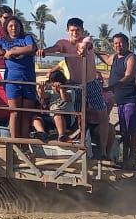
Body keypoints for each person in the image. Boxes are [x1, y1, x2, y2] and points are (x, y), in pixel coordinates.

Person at [41, 18, 110, 152]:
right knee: (79, 116)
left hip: (91, 83)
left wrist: (83, 49)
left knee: (103, 115)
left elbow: (86, 45)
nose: (75, 32)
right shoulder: (64, 43)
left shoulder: (87, 39)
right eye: (72, 30)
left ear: (82, 30)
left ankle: (103, 150)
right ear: (68, 30)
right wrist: (43, 51)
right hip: (74, 85)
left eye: (77, 30)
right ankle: (81, 145)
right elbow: (55, 48)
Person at [0, 15, 40, 141]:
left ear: (20, 27)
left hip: (28, 80)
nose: (14, 28)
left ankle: (25, 143)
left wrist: (12, 52)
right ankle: (14, 143)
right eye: (11, 26)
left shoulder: (27, 38)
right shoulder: (3, 41)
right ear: (6, 28)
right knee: (15, 113)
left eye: (16, 25)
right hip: (12, 81)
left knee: (26, 114)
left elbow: (31, 48)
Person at [96, 33, 136, 170]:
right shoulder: (115, 57)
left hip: (131, 99)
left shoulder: (131, 58)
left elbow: (129, 76)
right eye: (115, 43)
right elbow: (106, 60)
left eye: (120, 43)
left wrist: (112, 87)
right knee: (124, 131)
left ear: (127, 44)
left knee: (133, 130)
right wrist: (94, 50)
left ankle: (133, 157)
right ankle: (127, 159)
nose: (118, 46)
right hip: (119, 100)